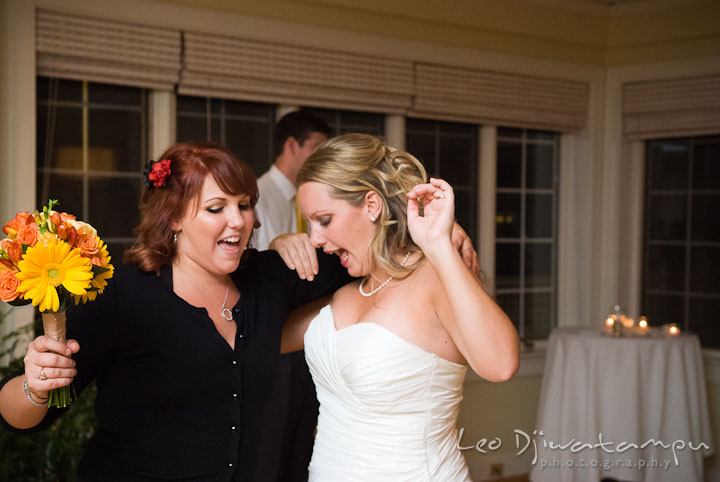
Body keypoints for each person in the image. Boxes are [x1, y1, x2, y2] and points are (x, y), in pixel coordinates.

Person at [0, 142, 352, 481]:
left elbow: (364, 263)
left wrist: (297, 240)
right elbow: (21, 418)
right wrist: (35, 386)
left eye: (244, 205)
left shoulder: (267, 278)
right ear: (174, 218)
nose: (239, 220)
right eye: (216, 208)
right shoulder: (121, 295)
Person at [273, 133, 520, 481]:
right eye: (308, 224)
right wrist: (277, 254)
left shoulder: (433, 277)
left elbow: (501, 364)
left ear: (372, 205)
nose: (314, 238)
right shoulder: (345, 289)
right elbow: (259, 335)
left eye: (324, 220)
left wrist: (438, 244)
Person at [252, 110, 330, 482]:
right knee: (274, 444)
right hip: (276, 332)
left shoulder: (314, 200)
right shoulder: (257, 196)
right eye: (316, 147)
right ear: (291, 145)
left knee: (303, 441)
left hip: (311, 333)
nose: (321, 157)